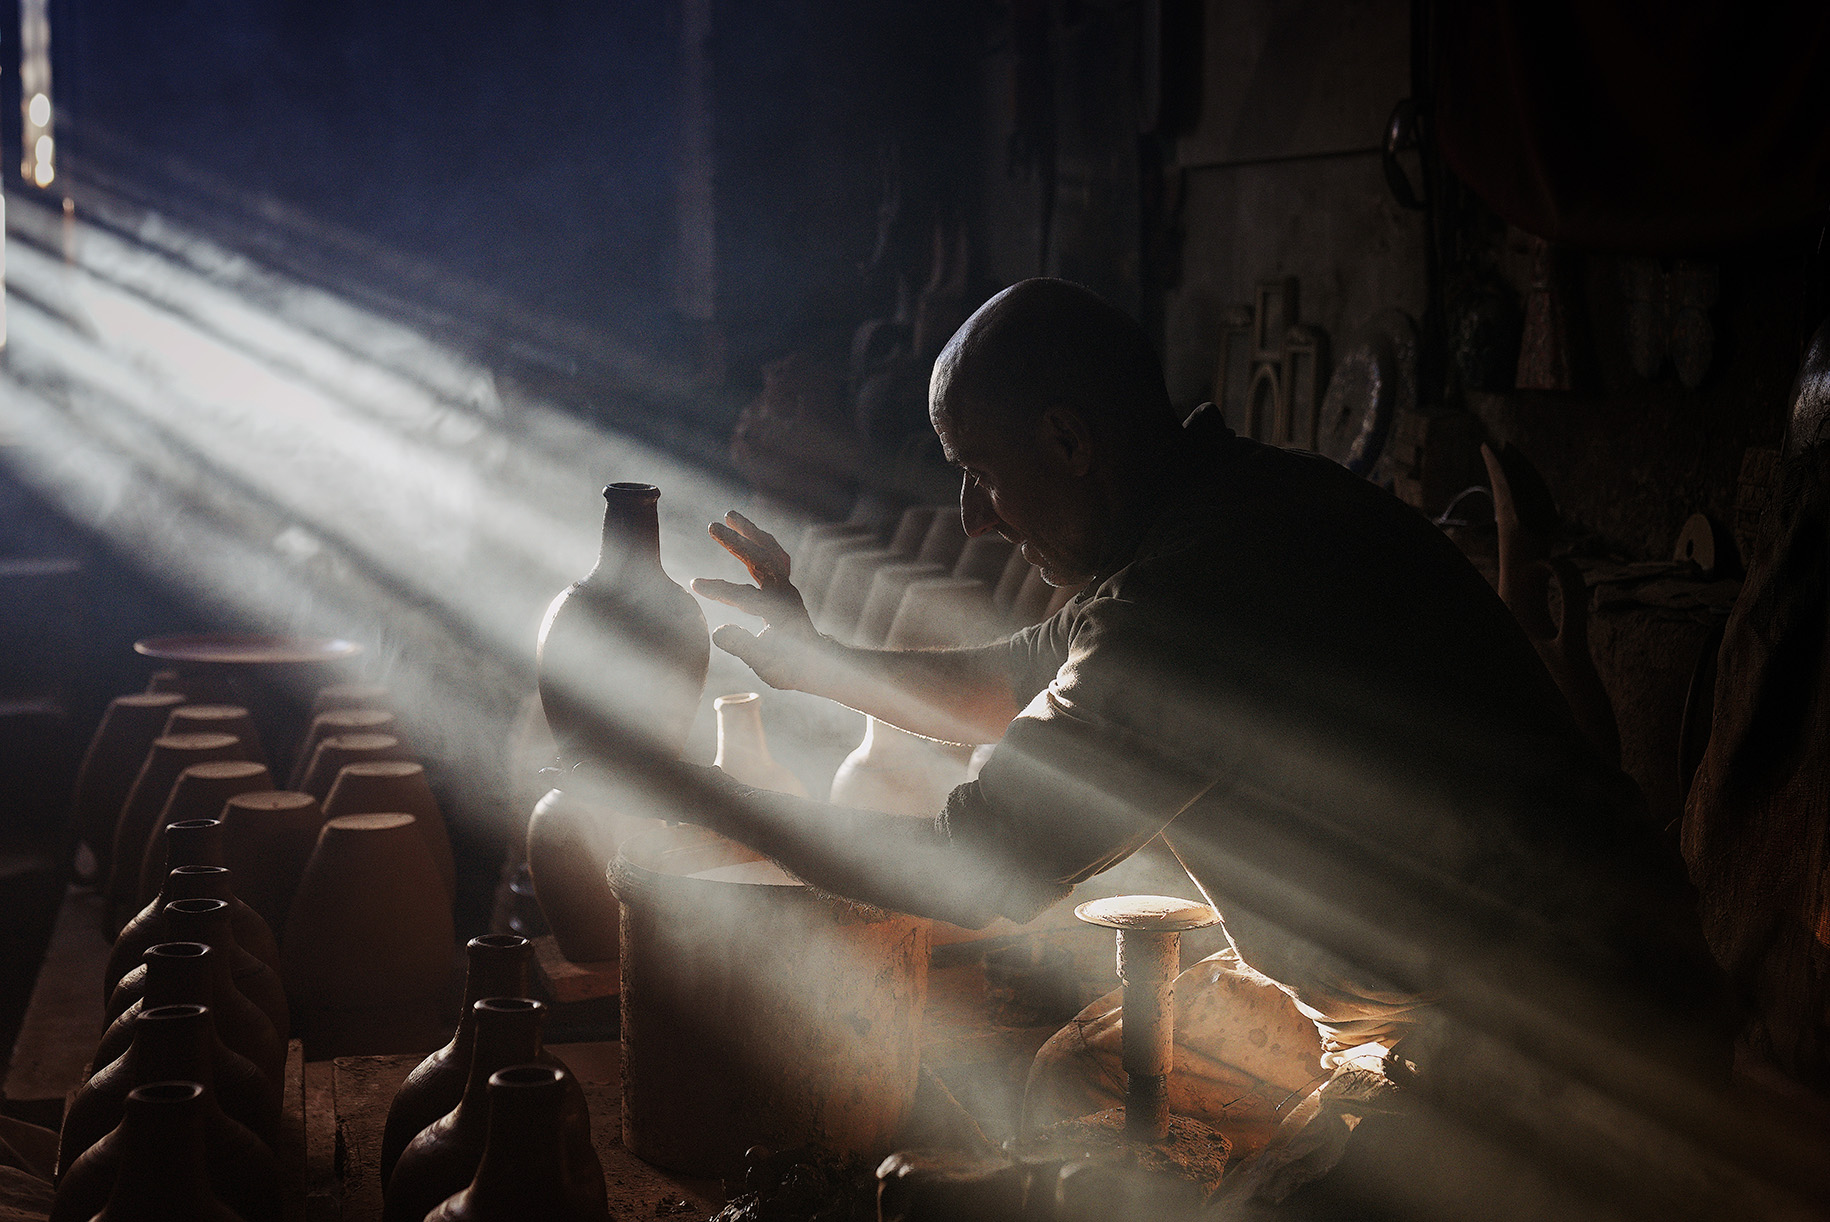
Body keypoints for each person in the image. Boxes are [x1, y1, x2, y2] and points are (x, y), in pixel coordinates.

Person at [685, 278, 1735, 1215]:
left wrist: (706, 799)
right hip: (1430, 987)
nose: (970, 519)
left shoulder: (1200, 590)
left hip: (1565, 1034)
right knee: (1073, 1083)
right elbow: (1017, 676)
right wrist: (815, 661)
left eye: (979, 472)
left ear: (1067, 440)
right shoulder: (1215, 511)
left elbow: (977, 860)